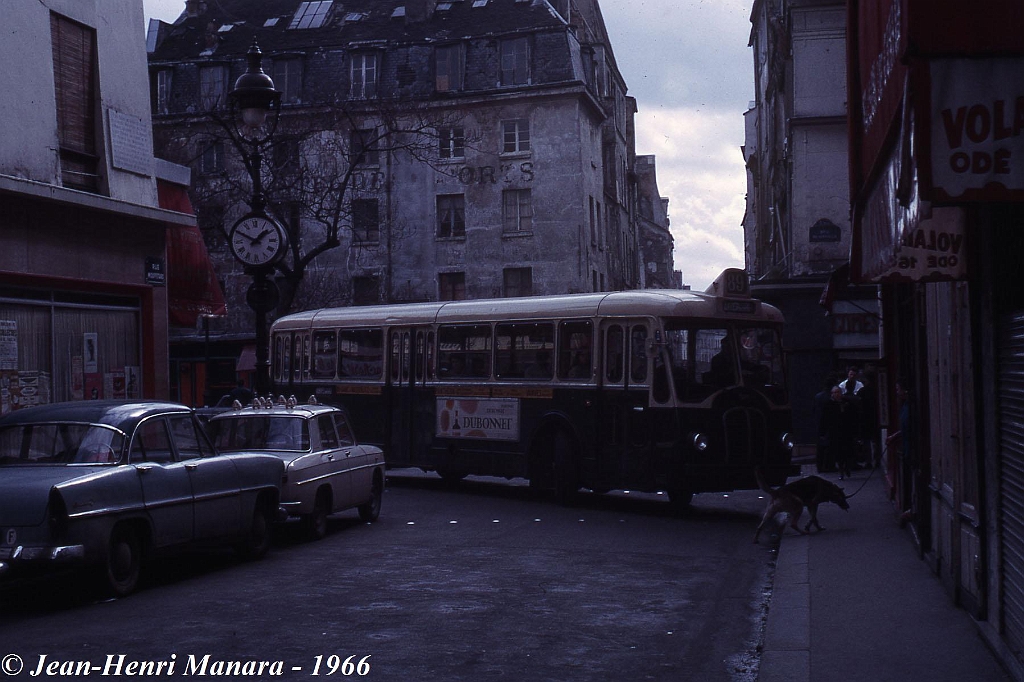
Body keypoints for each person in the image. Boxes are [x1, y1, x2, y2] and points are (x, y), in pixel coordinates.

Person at [821, 385, 859, 480]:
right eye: (835, 393)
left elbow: (853, 417)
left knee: (848, 451)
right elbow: (824, 419)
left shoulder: (847, 403)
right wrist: (823, 432)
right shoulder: (828, 404)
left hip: (846, 431)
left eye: (839, 392)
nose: (837, 394)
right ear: (832, 394)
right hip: (835, 432)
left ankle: (847, 467)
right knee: (838, 453)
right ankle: (841, 470)